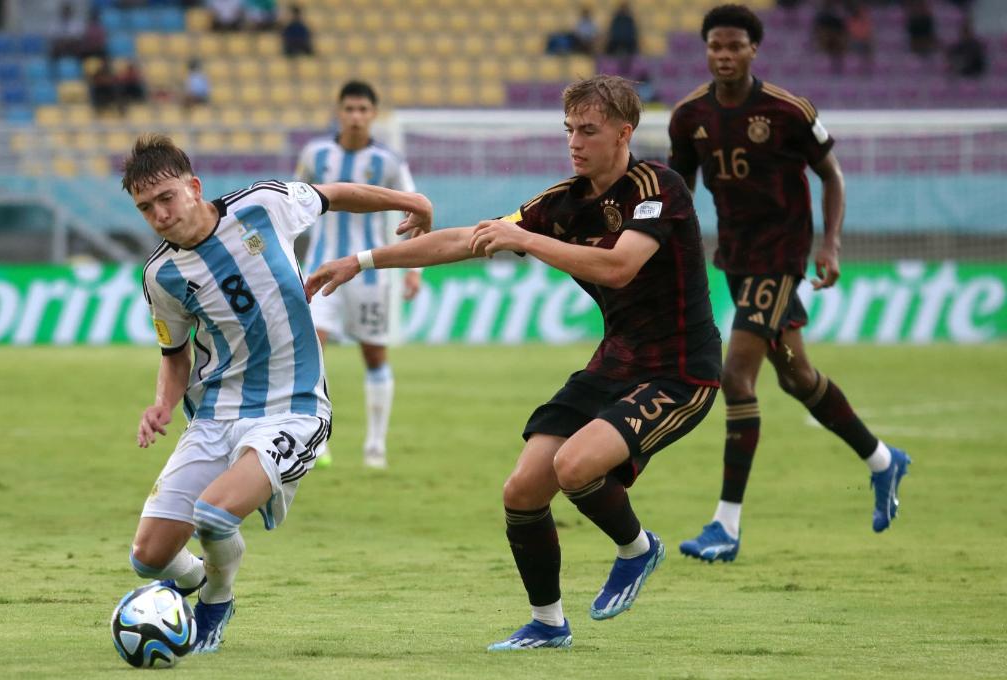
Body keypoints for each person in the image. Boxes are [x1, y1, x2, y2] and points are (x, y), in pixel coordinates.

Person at [307, 75, 721, 650]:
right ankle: (548, 624)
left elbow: (619, 267)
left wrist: (524, 241)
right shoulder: (564, 202)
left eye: (589, 131)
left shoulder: (659, 187)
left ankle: (637, 547)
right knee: (523, 490)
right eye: (569, 129)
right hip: (615, 363)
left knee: (575, 467)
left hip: (682, 370)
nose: (575, 142)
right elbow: (463, 241)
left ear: (625, 133)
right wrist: (364, 259)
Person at [124, 133, 432, 654]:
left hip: (295, 407)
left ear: (194, 187)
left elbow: (335, 194)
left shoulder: (263, 205)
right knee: (148, 558)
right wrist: (163, 404)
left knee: (215, 515)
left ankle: (215, 602)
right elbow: (174, 355)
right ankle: (196, 577)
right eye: (145, 207)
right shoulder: (162, 275)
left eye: (166, 197)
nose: (158, 214)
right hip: (217, 411)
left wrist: (412, 201)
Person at [668, 4, 910, 564]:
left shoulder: (788, 110)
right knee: (798, 377)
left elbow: (831, 174)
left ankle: (724, 526)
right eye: (715, 47)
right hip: (736, 259)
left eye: (735, 47)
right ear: (706, 50)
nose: (724, 56)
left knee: (736, 376)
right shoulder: (689, 117)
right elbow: (680, 192)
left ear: (754, 50)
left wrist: (829, 244)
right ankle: (881, 460)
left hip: (782, 257)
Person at [294, 81, 420, 469]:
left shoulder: (390, 162)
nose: (355, 117)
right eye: (349, 109)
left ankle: (375, 446)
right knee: (310, 353)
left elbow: (414, 211)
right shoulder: (315, 155)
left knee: (374, 356)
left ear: (373, 115)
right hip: (319, 271)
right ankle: (315, 440)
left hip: (370, 274)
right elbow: (293, 205)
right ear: (338, 112)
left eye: (363, 110)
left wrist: (413, 269)